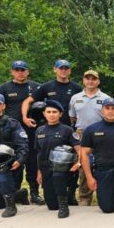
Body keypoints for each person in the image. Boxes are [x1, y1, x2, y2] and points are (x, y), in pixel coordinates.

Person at [21, 59, 83, 206]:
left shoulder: (76, 88)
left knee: (71, 160)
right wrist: (25, 117)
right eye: (60, 68)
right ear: (55, 69)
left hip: (68, 129)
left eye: (66, 68)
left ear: (70, 70)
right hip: (49, 129)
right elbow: (27, 101)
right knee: (48, 159)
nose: (63, 70)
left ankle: (71, 193)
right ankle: (49, 189)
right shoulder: (46, 86)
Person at [0, 60, 42, 205]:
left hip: (32, 129)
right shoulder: (4, 88)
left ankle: (34, 193)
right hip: (12, 132)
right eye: (17, 70)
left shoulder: (36, 87)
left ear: (28, 71)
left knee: (32, 162)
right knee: (14, 161)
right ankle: (15, 192)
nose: (20, 72)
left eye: (23, 69)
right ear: (12, 72)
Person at [69, 70, 111, 206]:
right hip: (82, 134)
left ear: (98, 81)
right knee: (83, 166)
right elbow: (72, 117)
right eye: (88, 78)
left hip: (101, 133)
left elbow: (109, 116)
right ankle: (85, 198)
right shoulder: (75, 98)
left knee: (102, 164)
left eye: (94, 79)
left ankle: (103, 196)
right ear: (83, 80)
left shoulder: (105, 98)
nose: (90, 81)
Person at [34, 99, 80, 218]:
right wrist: (39, 171)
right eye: (48, 112)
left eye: (54, 112)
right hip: (46, 167)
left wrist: (78, 163)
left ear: (60, 114)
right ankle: (67, 196)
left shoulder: (67, 130)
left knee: (58, 177)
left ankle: (64, 206)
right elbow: (39, 152)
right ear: (44, 114)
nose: (51, 114)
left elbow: (79, 149)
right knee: (52, 206)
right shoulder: (40, 130)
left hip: (63, 167)